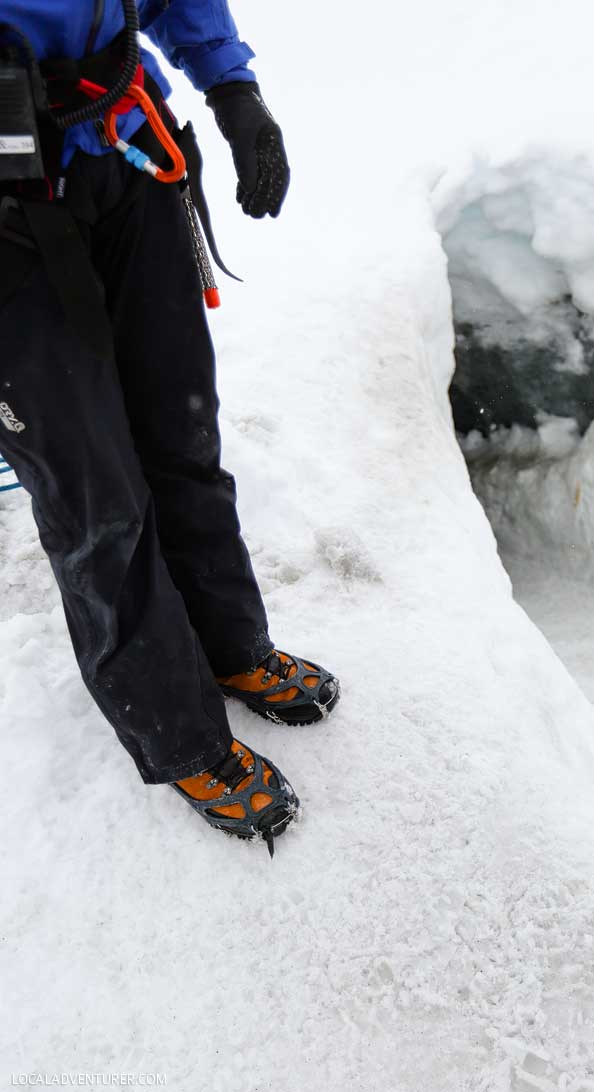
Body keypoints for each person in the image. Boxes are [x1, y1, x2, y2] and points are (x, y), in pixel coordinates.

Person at [0, 0, 339, 856]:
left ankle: (228, 643)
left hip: (122, 151)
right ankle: (177, 733)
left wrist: (231, 87)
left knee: (181, 437)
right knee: (93, 496)